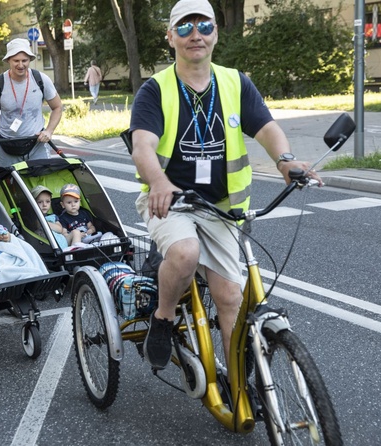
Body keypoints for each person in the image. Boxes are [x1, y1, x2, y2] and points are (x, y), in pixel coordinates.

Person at [130, 0, 320, 370]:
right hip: (171, 203)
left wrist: (285, 161)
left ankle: (240, 388)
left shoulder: (235, 82)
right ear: (170, 37)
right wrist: (158, 181)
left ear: (216, 33)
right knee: (184, 253)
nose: (195, 35)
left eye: (203, 26)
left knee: (231, 297)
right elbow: (142, 145)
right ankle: (164, 317)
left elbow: (266, 128)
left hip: (220, 205)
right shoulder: (155, 90)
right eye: (184, 28)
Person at [0, 38, 63, 167]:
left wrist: (49, 131)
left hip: (36, 144)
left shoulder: (41, 79)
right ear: (8, 61)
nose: (21, 65)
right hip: (7, 146)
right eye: (16, 61)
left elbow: (57, 107)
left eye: (24, 60)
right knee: (9, 185)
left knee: (40, 184)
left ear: (30, 60)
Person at [31, 185, 81, 249]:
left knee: (76, 232)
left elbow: (60, 229)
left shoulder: (53, 216)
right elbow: (37, 226)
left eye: (47, 201)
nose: (44, 205)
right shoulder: (34, 218)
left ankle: (75, 251)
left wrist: (44, 223)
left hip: (64, 242)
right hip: (51, 246)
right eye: (40, 202)